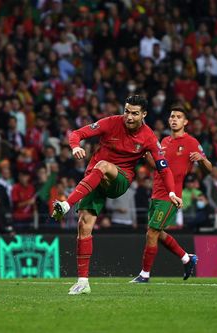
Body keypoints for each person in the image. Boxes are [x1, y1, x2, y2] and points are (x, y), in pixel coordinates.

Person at [52, 95, 181, 295]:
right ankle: (83, 282)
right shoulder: (111, 122)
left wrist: (172, 192)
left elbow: (163, 168)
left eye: (134, 113)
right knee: (84, 226)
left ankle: (66, 204)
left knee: (102, 165)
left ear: (144, 114)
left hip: (119, 179)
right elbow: (77, 133)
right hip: (94, 178)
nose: (129, 116)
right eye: (127, 111)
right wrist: (76, 146)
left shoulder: (148, 137)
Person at [131, 105, 212, 283]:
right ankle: (186, 258)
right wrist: (147, 156)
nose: (174, 119)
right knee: (157, 233)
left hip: (171, 196)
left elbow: (209, 169)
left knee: (152, 233)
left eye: (178, 117)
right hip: (156, 193)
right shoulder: (164, 142)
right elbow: (159, 168)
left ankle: (144, 275)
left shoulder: (191, 142)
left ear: (185, 122)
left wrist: (202, 159)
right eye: (172, 116)